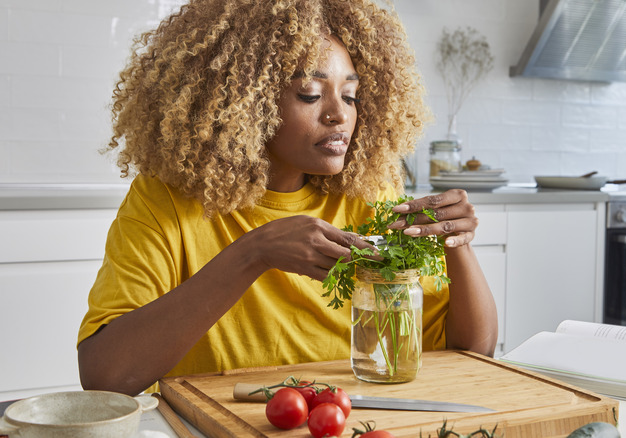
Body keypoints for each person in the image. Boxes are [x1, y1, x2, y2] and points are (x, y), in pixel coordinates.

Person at [77, 0, 498, 396]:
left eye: (350, 96)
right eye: (311, 94)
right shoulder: (165, 200)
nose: (340, 114)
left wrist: (454, 242)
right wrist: (253, 254)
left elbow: (472, 352)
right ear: (244, 101)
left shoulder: (370, 197)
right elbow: (105, 375)